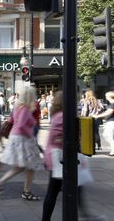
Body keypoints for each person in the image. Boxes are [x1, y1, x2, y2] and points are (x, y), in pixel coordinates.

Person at [42, 91, 103, 220]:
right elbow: (59, 138)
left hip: (55, 157)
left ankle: (85, 214)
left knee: (70, 188)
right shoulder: (63, 116)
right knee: (55, 191)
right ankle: (84, 215)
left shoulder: (57, 115)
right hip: (59, 158)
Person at [0, 86, 44, 201]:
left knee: (20, 167)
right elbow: (21, 125)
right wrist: (30, 135)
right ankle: (26, 191)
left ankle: (0, 183)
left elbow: (11, 121)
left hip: (16, 138)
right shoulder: (25, 108)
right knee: (31, 166)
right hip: (23, 139)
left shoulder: (17, 107)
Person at [93, 91, 114, 156]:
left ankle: (113, 151)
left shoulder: (112, 104)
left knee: (109, 136)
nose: (106, 97)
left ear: (110, 97)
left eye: (106, 96)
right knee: (106, 135)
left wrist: (97, 116)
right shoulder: (110, 104)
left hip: (111, 121)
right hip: (109, 121)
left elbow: (109, 112)